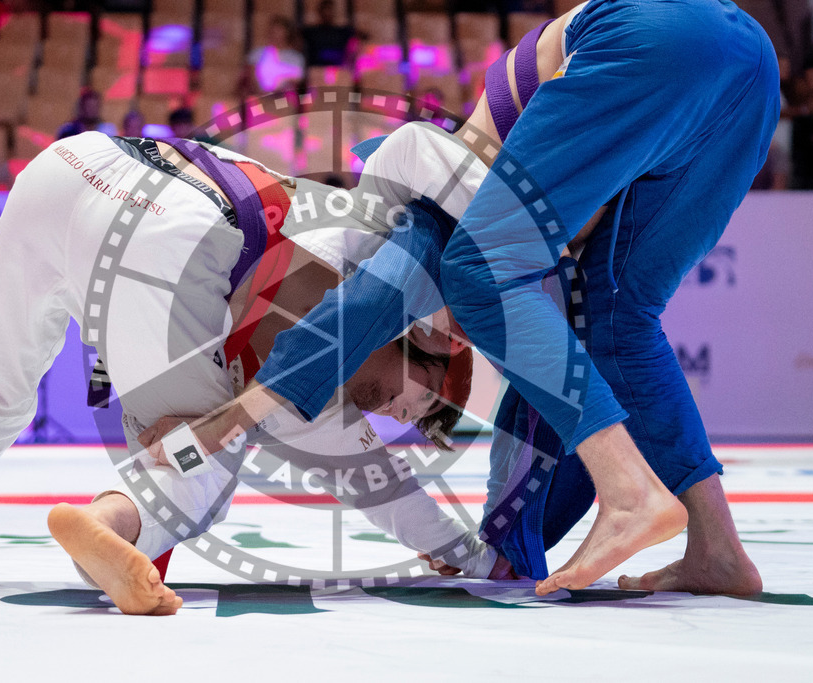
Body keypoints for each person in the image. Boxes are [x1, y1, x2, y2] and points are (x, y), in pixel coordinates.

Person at [164, 0, 779, 598]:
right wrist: (505, 546)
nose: (391, 414)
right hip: (747, 66)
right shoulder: (489, 256)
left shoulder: (415, 208)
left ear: (425, 340)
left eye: (415, 402)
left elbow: (366, 304)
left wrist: (228, 422)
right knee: (616, 322)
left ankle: (630, 492)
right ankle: (718, 549)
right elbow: (536, 412)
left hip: (648, 34)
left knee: (480, 273)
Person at [0, 130, 509, 614]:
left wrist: (467, 553)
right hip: (174, 226)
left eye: (404, 420)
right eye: (419, 396)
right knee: (203, 459)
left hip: (70, 170)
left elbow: (383, 487)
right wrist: (531, 239)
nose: (396, 413)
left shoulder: (321, 398)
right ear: (421, 334)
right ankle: (104, 522)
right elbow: (413, 147)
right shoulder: (376, 250)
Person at [302, 0, 356, 68]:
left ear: (334, 12)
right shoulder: (311, 32)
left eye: (330, 10)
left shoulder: (343, 32)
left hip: (339, 69)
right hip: (316, 68)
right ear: (320, 12)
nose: (327, 13)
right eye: (325, 10)